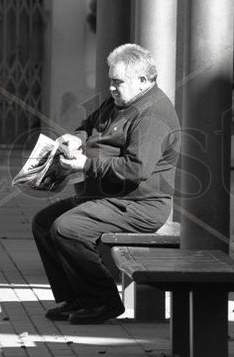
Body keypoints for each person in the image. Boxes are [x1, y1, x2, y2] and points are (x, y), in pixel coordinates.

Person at [31, 43, 181, 324]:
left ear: (143, 81)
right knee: (43, 222)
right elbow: (90, 124)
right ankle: (76, 298)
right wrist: (77, 138)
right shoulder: (121, 100)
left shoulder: (152, 116)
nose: (112, 88)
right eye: (111, 81)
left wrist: (85, 165)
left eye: (117, 82)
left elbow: (135, 170)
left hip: (138, 204)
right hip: (107, 196)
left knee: (68, 228)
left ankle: (103, 301)